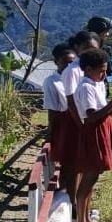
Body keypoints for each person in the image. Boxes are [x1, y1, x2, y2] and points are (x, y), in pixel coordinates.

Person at [73, 48, 112, 222]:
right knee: (89, 176)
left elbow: (103, 110)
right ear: (88, 69)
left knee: (94, 176)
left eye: (105, 71)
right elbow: (90, 116)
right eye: (100, 71)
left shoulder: (96, 84)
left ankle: (86, 218)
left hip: (102, 129)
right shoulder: (85, 87)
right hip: (92, 132)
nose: (104, 75)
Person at [59, 31, 100, 211]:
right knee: (76, 166)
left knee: (87, 166)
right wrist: (81, 126)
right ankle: (74, 207)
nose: (90, 52)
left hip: (89, 123)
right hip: (78, 123)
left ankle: (84, 208)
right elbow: (71, 101)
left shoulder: (91, 68)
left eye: (94, 49)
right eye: (86, 48)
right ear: (77, 48)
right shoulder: (73, 71)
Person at [42, 43, 75, 171]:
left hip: (80, 123)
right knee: (67, 164)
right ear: (56, 62)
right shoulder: (52, 82)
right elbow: (53, 109)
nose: (69, 66)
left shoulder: (78, 77)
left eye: (72, 63)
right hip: (64, 125)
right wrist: (51, 133)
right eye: (65, 63)